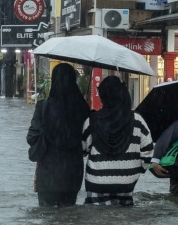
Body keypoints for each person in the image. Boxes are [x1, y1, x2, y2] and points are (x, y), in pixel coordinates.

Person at [80, 75, 154, 206]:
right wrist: (137, 170)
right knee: (124, 224)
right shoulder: (137, 120)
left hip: (97, 183)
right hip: (126, 184)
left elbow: (83, 149)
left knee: (97, 224)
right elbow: (148, 151)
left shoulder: (91, 121)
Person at [27, 64, 89, 207]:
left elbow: (31, 137)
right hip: (73, 173)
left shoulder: (43, 106)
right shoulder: (82, 107)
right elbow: (87, 141)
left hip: (48, 172)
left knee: (47, 221)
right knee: (69, 217)